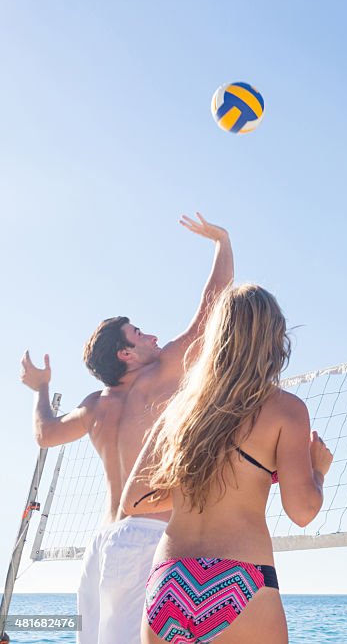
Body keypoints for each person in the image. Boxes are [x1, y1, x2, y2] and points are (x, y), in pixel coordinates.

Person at [19, 213, 233, 644]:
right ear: (126, 355)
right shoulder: (154, 380)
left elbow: (44, 434)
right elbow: (212, 312)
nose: (152, 336)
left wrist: (41, 390)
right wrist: (222, 243)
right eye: (139, 333)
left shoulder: (95, 407)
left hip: (101, 545)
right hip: (144, 538)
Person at [120, 284, 332, 643]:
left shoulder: (180, 408)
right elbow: (303, 511)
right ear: (274, 338)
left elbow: (133, 501)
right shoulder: (285, 409)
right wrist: (318, 471)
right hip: (241, 579)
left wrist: (203, 483)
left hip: (169, 583)